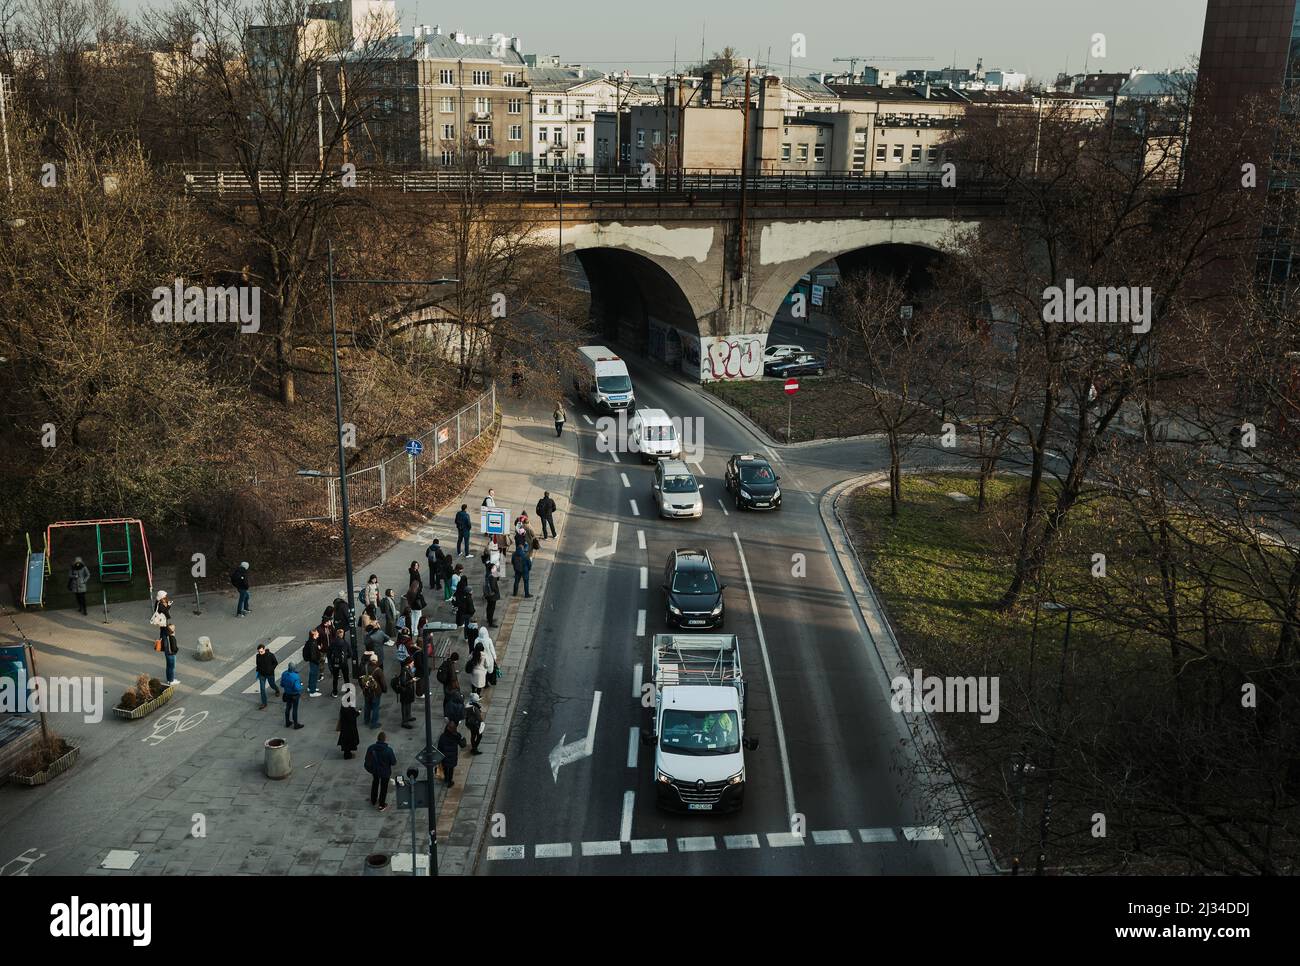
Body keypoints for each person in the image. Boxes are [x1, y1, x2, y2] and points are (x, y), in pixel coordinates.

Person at [364, 731, 398, 811]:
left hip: (375, 770)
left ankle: (373, 800)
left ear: (377, 739)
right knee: (384, 787)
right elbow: (393, 762)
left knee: (375, 783)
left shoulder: (371, 748)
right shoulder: (388, 750)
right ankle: (381, 804)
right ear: (384, 739)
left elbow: (367, 759)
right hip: (385, 771)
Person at [361, 654, 387, 728]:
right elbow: (383, 683)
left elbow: (361, 679)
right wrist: (384, 690)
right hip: (376, 692)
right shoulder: (378, 670)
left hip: (366, 691)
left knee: (367, 705)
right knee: (375, 707)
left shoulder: (365, 668)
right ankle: (374, 723)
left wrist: (363, 687)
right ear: (376, 661)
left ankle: (366, 720)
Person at [337, 686, 361, 758]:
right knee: (349, 741)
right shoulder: (347, 708)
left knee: (346, 741)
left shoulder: (344, 703)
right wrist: (358, 713)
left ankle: (347, 753)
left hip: (345, 726)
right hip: (349, 727)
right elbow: (351, 716)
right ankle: (347, 755)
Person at [255, 642, 280, 708]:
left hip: (270, 674)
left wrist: (271, 669)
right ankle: (264, 703)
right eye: (259, 651)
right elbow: (257, 664)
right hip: (262, 675)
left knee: (272, 684)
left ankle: (277, 690)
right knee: (262, 689)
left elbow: (275, 663)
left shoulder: (270, 655)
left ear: (264, 649)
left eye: (261, 651)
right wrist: (257, 671)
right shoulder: (258, 656)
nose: (260, 653)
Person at [280, 662, 304, 729]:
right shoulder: (295, 676)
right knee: (295, 709)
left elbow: (282, 684)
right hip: (295, 695)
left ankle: (287, 722)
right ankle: (296, 724)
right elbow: (297, 688)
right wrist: (301, 685)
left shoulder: (284, 674)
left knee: (288, 707)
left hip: (287, 693)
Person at [436, 722, 461, 787]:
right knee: (451, 769)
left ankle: (446, 779)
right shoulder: (456, 735)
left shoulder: (443, 736)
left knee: (445, 768)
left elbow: (439, 746)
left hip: (445, 757)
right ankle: (449, 781)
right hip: (452, 757)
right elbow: (461, 741)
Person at [328, 627, 350, 697]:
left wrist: (331, 661)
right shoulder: (345, 643)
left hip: (335, 663)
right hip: (344, 662)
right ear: (342, 635)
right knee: (346, 677)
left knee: (335, 678)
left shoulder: (333, 643)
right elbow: (350, 653)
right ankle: (348, 690)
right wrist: (346, 657)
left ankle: (335, 692)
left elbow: (329, 653)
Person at [301, 629, 323, 697]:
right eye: (317, 633)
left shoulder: (311, 641)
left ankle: (310, 687)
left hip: (312, 661)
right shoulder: (313, 643)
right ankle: (312, 692)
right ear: (314, 635)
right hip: (314, 662)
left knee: (312, 675)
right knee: (314, 676)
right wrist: (317, 661)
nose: (318, 634)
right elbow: (313, 656)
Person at [396, 657, 416, 728]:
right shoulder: (404, 670)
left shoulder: (408, 669)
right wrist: (412, 680)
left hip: (409, 690)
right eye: (412, 663)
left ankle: (408, 716)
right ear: (409, 663)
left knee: (409, 704)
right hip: (405, 691)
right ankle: (404, 721)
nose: (413, 664)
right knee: (405, 706)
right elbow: (403, 682)